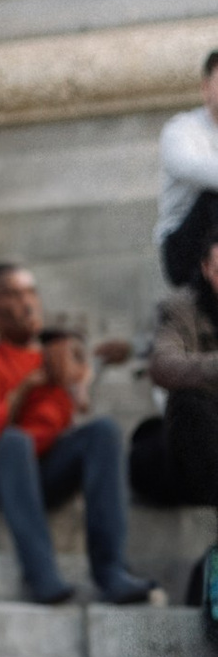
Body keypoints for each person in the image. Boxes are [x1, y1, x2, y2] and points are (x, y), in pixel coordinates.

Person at [0, 263, 153, 608]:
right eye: (11, 294)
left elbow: (76, 415)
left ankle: (111, 571)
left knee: (104, 431)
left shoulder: (55, 356)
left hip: (49, 473)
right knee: (13, 441)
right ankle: (42, 574)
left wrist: (81, 380)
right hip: (6, 474)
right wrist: (26, 388)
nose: (26, 302)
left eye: (30, 291)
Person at [133, 190, 218, 516]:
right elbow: (164, 366)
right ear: (208, 269)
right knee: (189, 402)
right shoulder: (182, 308)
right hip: (189, 454)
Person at [153, 49, 218, 274]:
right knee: (213, 198)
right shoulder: (180, 130)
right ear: (205, 87)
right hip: (183, 247)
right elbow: (193, 168)